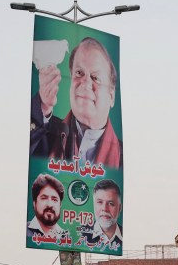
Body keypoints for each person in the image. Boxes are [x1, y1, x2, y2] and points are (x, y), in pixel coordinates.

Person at [30, 36, 122, 170]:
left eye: (95, 77)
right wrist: (43, 105)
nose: (85, 82)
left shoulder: (124, 160)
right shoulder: (47, 134)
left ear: (112, 96)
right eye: (79, 73)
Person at [82, 179, 122, 247]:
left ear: (119, 208)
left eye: (111, 203)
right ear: (94, 205)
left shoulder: (126, 236)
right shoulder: (81, 234)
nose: (104, 209)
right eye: (100, 202)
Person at [27, 174, 64, 242]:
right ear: (34, 202)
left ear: (60, 205)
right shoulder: (25, 231)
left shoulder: (66, 237)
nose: (49, 204)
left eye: (54, 199)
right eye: (44, 198)